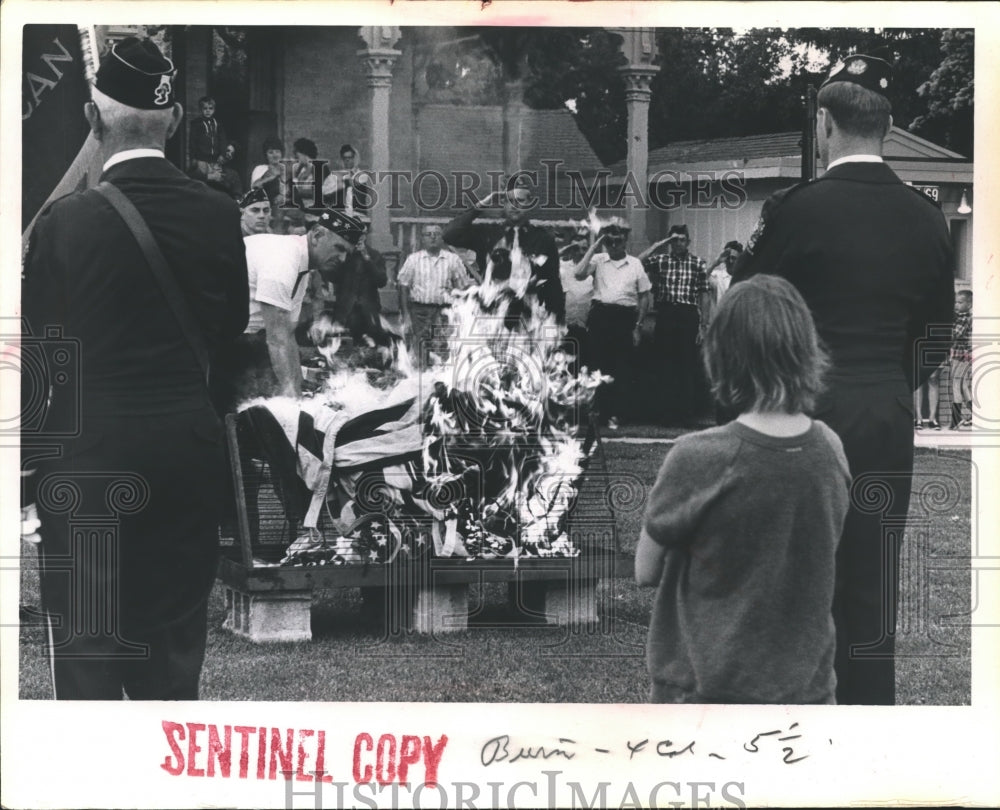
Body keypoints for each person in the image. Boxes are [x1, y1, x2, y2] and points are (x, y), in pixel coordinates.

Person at [19, 37, 249, 700]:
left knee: (89, 658)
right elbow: (230, 328)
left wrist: (31, 470)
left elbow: (43, 352)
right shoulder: (217, 213)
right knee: (172, 661)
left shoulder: (66, 224)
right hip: (184, 454)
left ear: (92, 123)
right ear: (174, 119)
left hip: (90, 462)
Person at [730, 53, 955, 705]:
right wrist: (886, 380)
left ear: (824, 125)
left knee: (789, 587)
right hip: (884, 415)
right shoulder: (926, 217)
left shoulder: (798, 210)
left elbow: (748, 312)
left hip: (801, 415)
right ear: (885, 125)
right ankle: (866, 748)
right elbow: (937, 334)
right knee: (869, 593)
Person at [635, 275, 851, 704]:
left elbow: (645, 571)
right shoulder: (830, 447)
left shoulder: (697, 455)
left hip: (704, 696)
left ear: (721, 354)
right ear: (806, 349)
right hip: (806, 695)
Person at [218, 208, 359, 407]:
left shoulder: (302, 265)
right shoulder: (283, 259)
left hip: (245, 338)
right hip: (218, 340)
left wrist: (298, 389)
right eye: (339, 248)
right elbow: (277, 340)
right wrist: (293, 403)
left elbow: (288, 334)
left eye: (347, 253)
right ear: (317, 235)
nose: (342, 259)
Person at [442, 180, 565, 322]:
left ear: (529, 204)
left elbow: (553, 283)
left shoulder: (543, 239)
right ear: (503, 204)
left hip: (529, 316)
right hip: (492, 314)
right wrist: (482, 205)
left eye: (520, 201)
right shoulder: (488, 234)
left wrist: (556, 322)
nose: (514, 206)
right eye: (509, 201)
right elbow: (449, 235)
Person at [573, 218, 652, 430]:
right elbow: (578, 274)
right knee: (598, 365)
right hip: (601, 316)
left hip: (624, 317)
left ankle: (617, 414)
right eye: (610, 241)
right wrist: (594, 246)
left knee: (621, 367)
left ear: (625, 241)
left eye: (618, 241)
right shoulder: (598, 259)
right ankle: (598, 412)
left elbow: (644, 296)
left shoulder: (635, 264)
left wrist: (638, 325)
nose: (613, 245)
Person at [640, 223, 711, 425]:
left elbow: (704, 294)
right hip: (666, 313)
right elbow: (637, 263)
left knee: (686, 365)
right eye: (674, 239)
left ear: (688, 241)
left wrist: (703, 325)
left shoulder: (698, 263)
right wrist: (659, 244)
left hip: (687, 314)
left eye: (682, 239)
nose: (678, 243)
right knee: (665, 364)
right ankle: (665, 414)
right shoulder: (660, 260)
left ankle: (686, 415)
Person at [397, 223, 475, 367]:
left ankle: (441, 380)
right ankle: (423, 379)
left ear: (442, 238)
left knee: (444, 345)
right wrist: (406, 314)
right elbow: (403, 286)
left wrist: (461, 313)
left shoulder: (453, 259)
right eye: (428, 234)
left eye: (436, 234)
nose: (432, 237)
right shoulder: (413, 259)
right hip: (420, 311)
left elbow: (462, 288)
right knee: (421, 347)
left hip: (444, 311)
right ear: (422, 239)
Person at [949, 290, 973, 429]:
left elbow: (954, 335)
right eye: (955, 302)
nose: (956, 305)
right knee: (963, 386)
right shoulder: (961, 316)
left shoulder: (964, 318)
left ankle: (956, 419)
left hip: (961, 355)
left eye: (960, 302)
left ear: (969, 304)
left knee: (956, 385)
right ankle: (973, 414)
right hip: (964, 355)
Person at [188, 95, 230, 170]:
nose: (208, 111)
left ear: (214, 110)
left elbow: (223, 140)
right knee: (203, 177)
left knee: (216, 177)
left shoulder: (218, 124)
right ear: (200, 110)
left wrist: (222, 154)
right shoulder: (196, 124)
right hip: (201, 158)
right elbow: (192, 142)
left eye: (210, 108)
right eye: (205, 108)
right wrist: (193, 158)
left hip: (215, 158)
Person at [705, 240, 742, 321]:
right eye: (728, 258)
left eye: (734, 258)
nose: (730, 261)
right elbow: (701, 278)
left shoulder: (744, 279)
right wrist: (716, 262)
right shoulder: (717, 276)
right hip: (720, 324)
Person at [250, 136, 287, 208]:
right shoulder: (260, 169)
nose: (275, 155)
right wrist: (269, 177)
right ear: (266, 155)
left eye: (277, 152)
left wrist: (283, 196)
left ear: (281, 154)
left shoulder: (286, 170)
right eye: (271, 152)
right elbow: (255, 188)